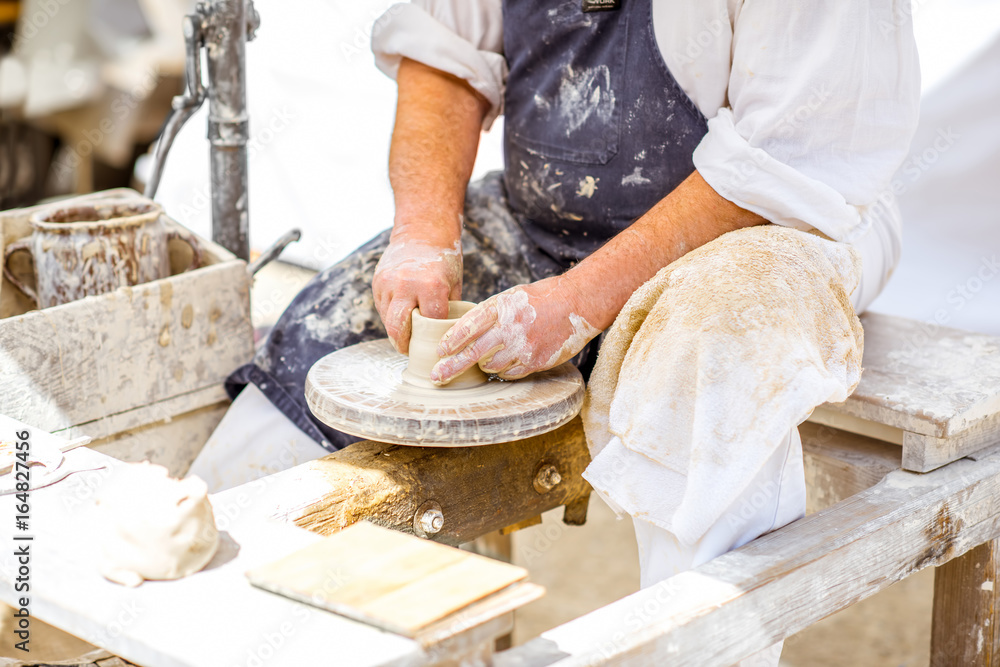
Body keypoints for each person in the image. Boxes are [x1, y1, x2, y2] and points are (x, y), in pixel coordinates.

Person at [191, 1, 919, 661]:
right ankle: (202, 599)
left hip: (776, 213)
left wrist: (578, 302)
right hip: (543, 215)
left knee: (709, 353)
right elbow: (444, 45)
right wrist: (421, 230)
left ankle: (700, 643)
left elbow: (789, 153)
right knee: (335, 335)